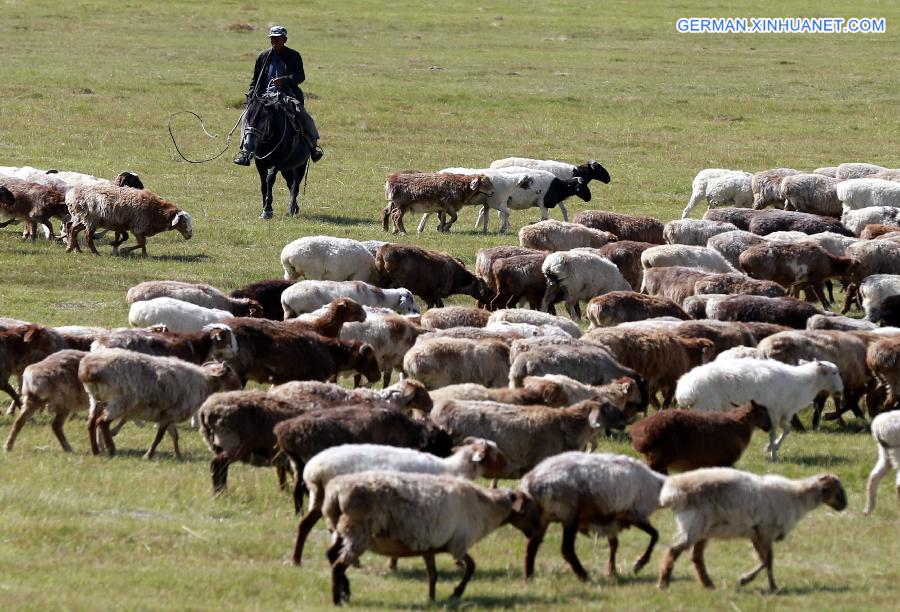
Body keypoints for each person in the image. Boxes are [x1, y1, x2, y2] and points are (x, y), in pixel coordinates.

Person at [234, 25, 323, 166]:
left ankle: (312, 147)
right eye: (272, 39)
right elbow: (255, 80)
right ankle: (246, 152)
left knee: (301, 113)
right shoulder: (263, 56)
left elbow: (300, 76)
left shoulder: (294, 55)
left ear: (285, 39)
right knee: (247, 117)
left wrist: (285, 80)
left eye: (278, 39)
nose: (274, 41)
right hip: (264, 96)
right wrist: (252, 97)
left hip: (287, 95)